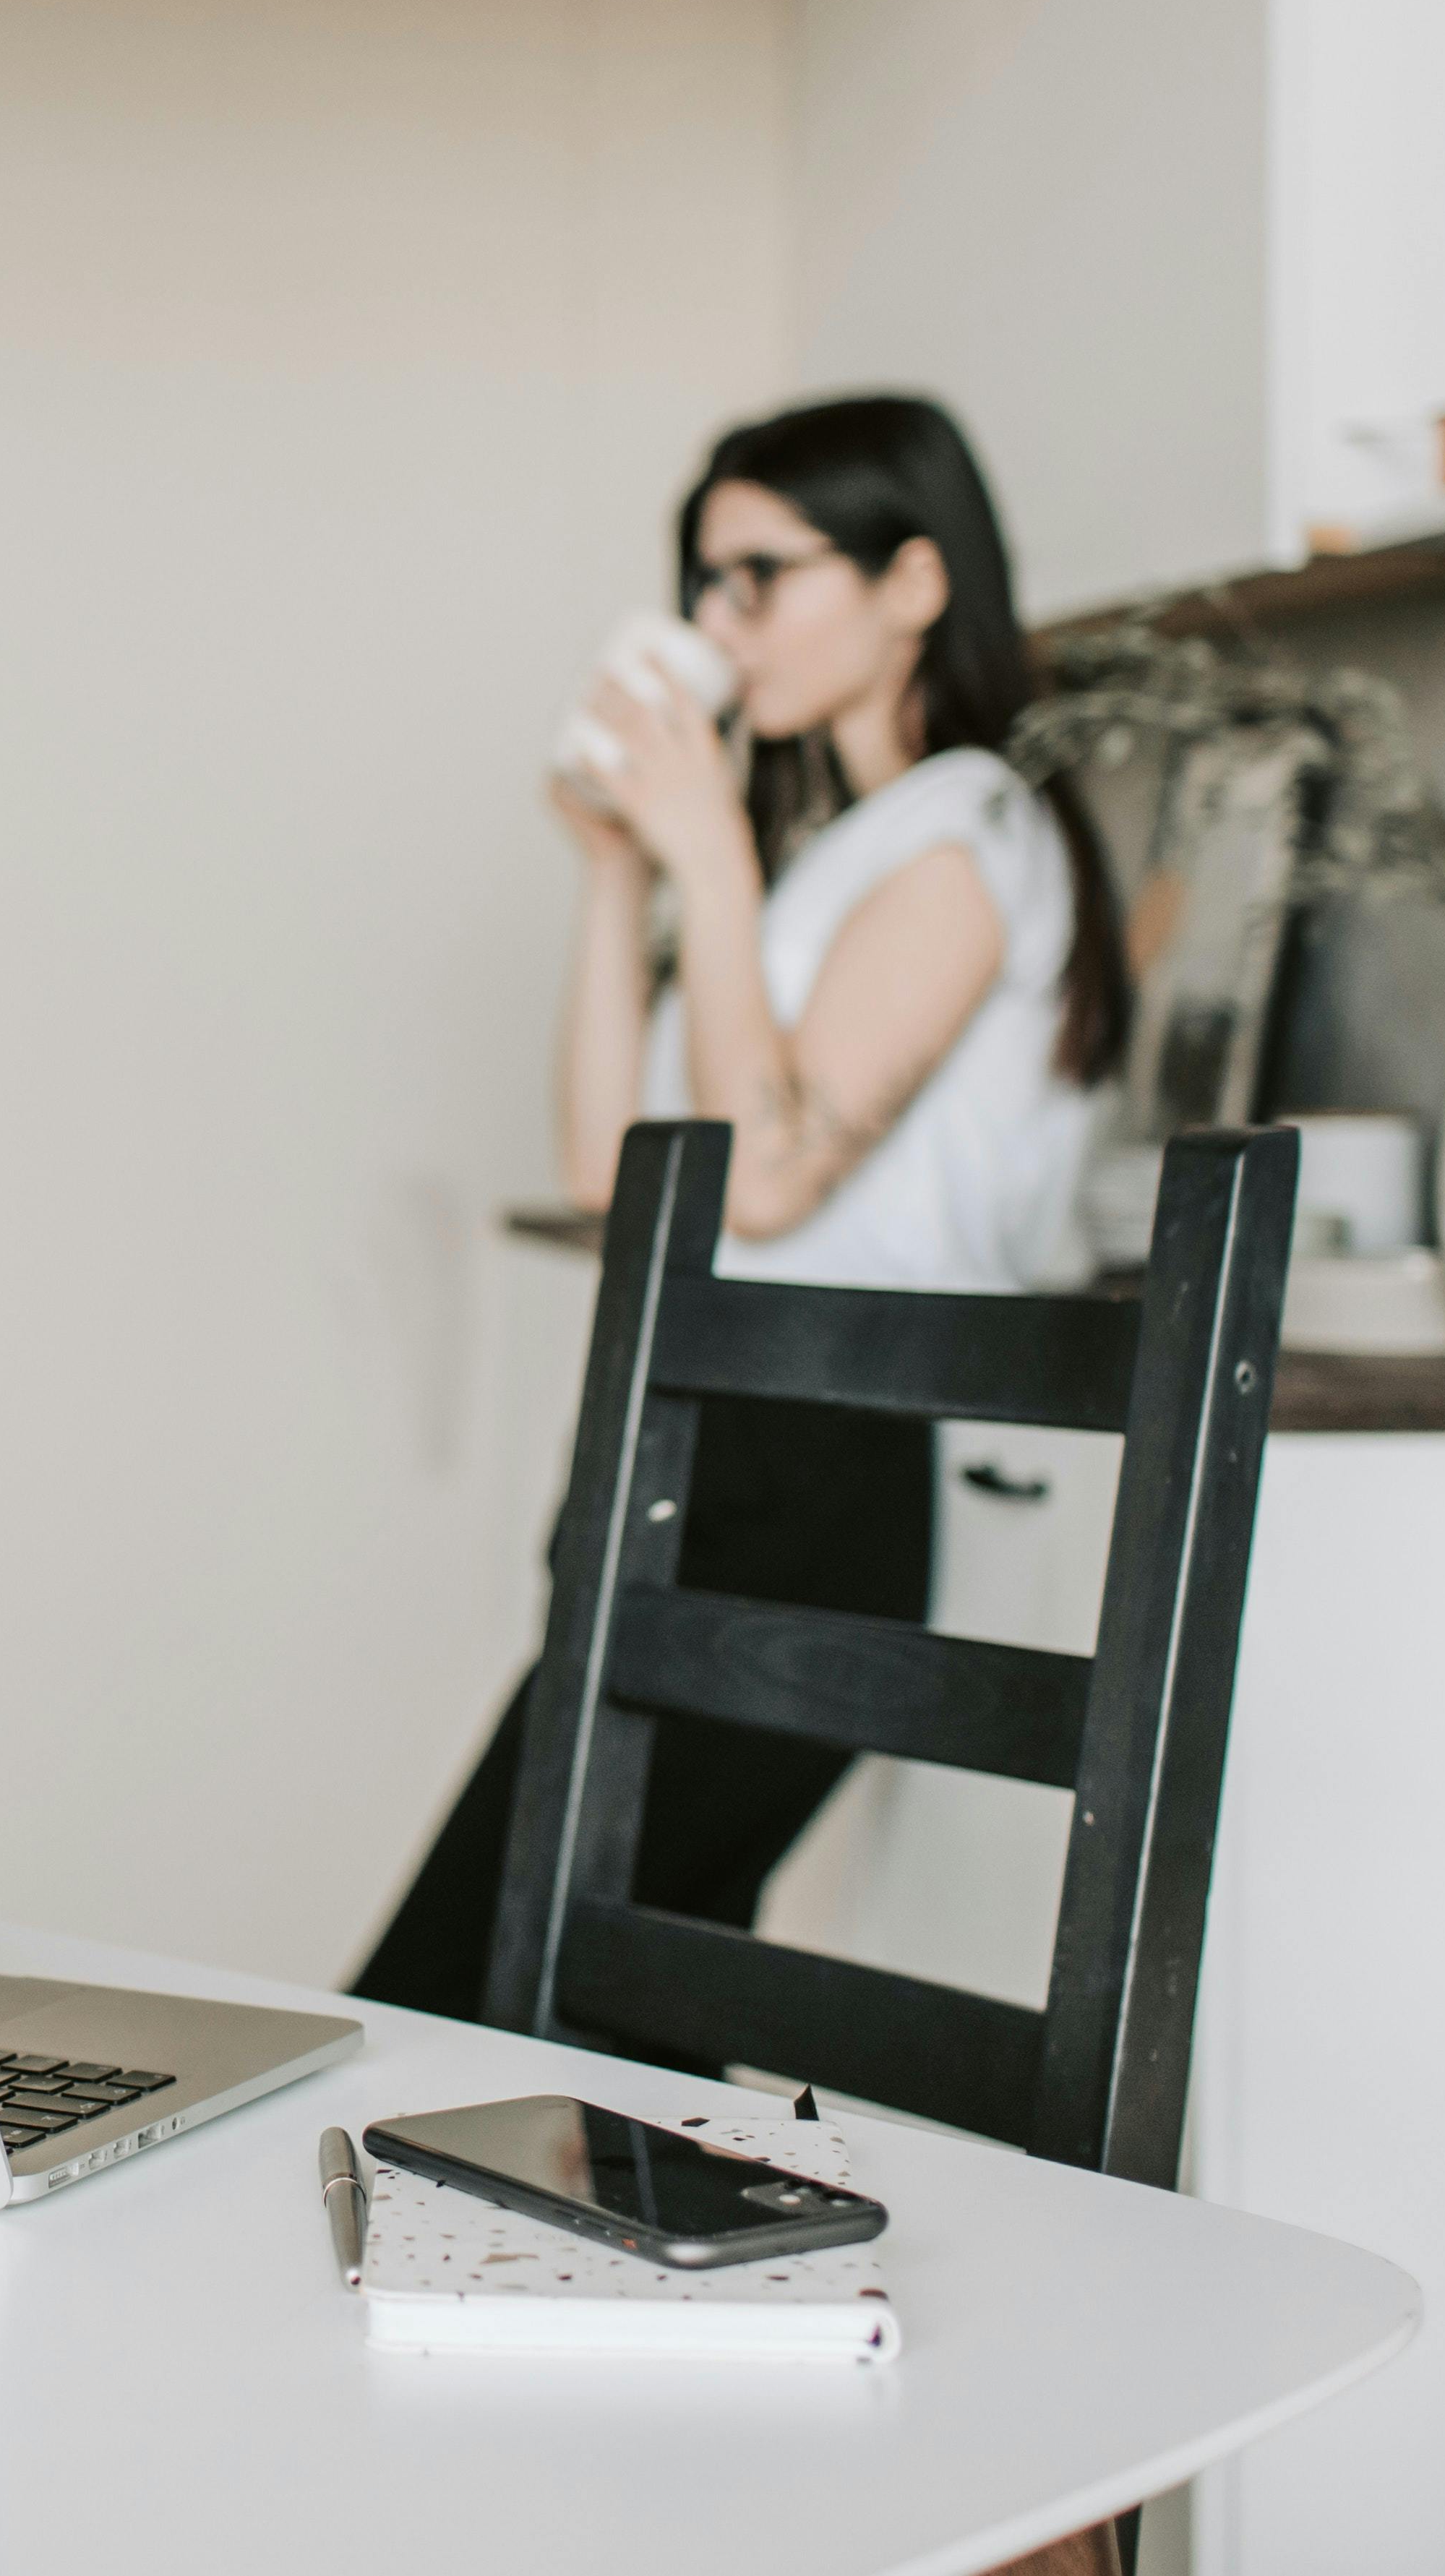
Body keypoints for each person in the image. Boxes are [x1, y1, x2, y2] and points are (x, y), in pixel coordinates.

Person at [352, 393, 1131, 2022]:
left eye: (758, 576)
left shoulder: (972, 827)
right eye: (705, 585)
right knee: (622, 2015)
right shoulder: (829, 857)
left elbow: (767, 1182)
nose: (720, 626)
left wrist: (706, 853)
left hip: (811, 1460)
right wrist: (621, 868)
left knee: (452, 2000)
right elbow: (615, 1172)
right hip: (696, 1450)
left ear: (913, 579)